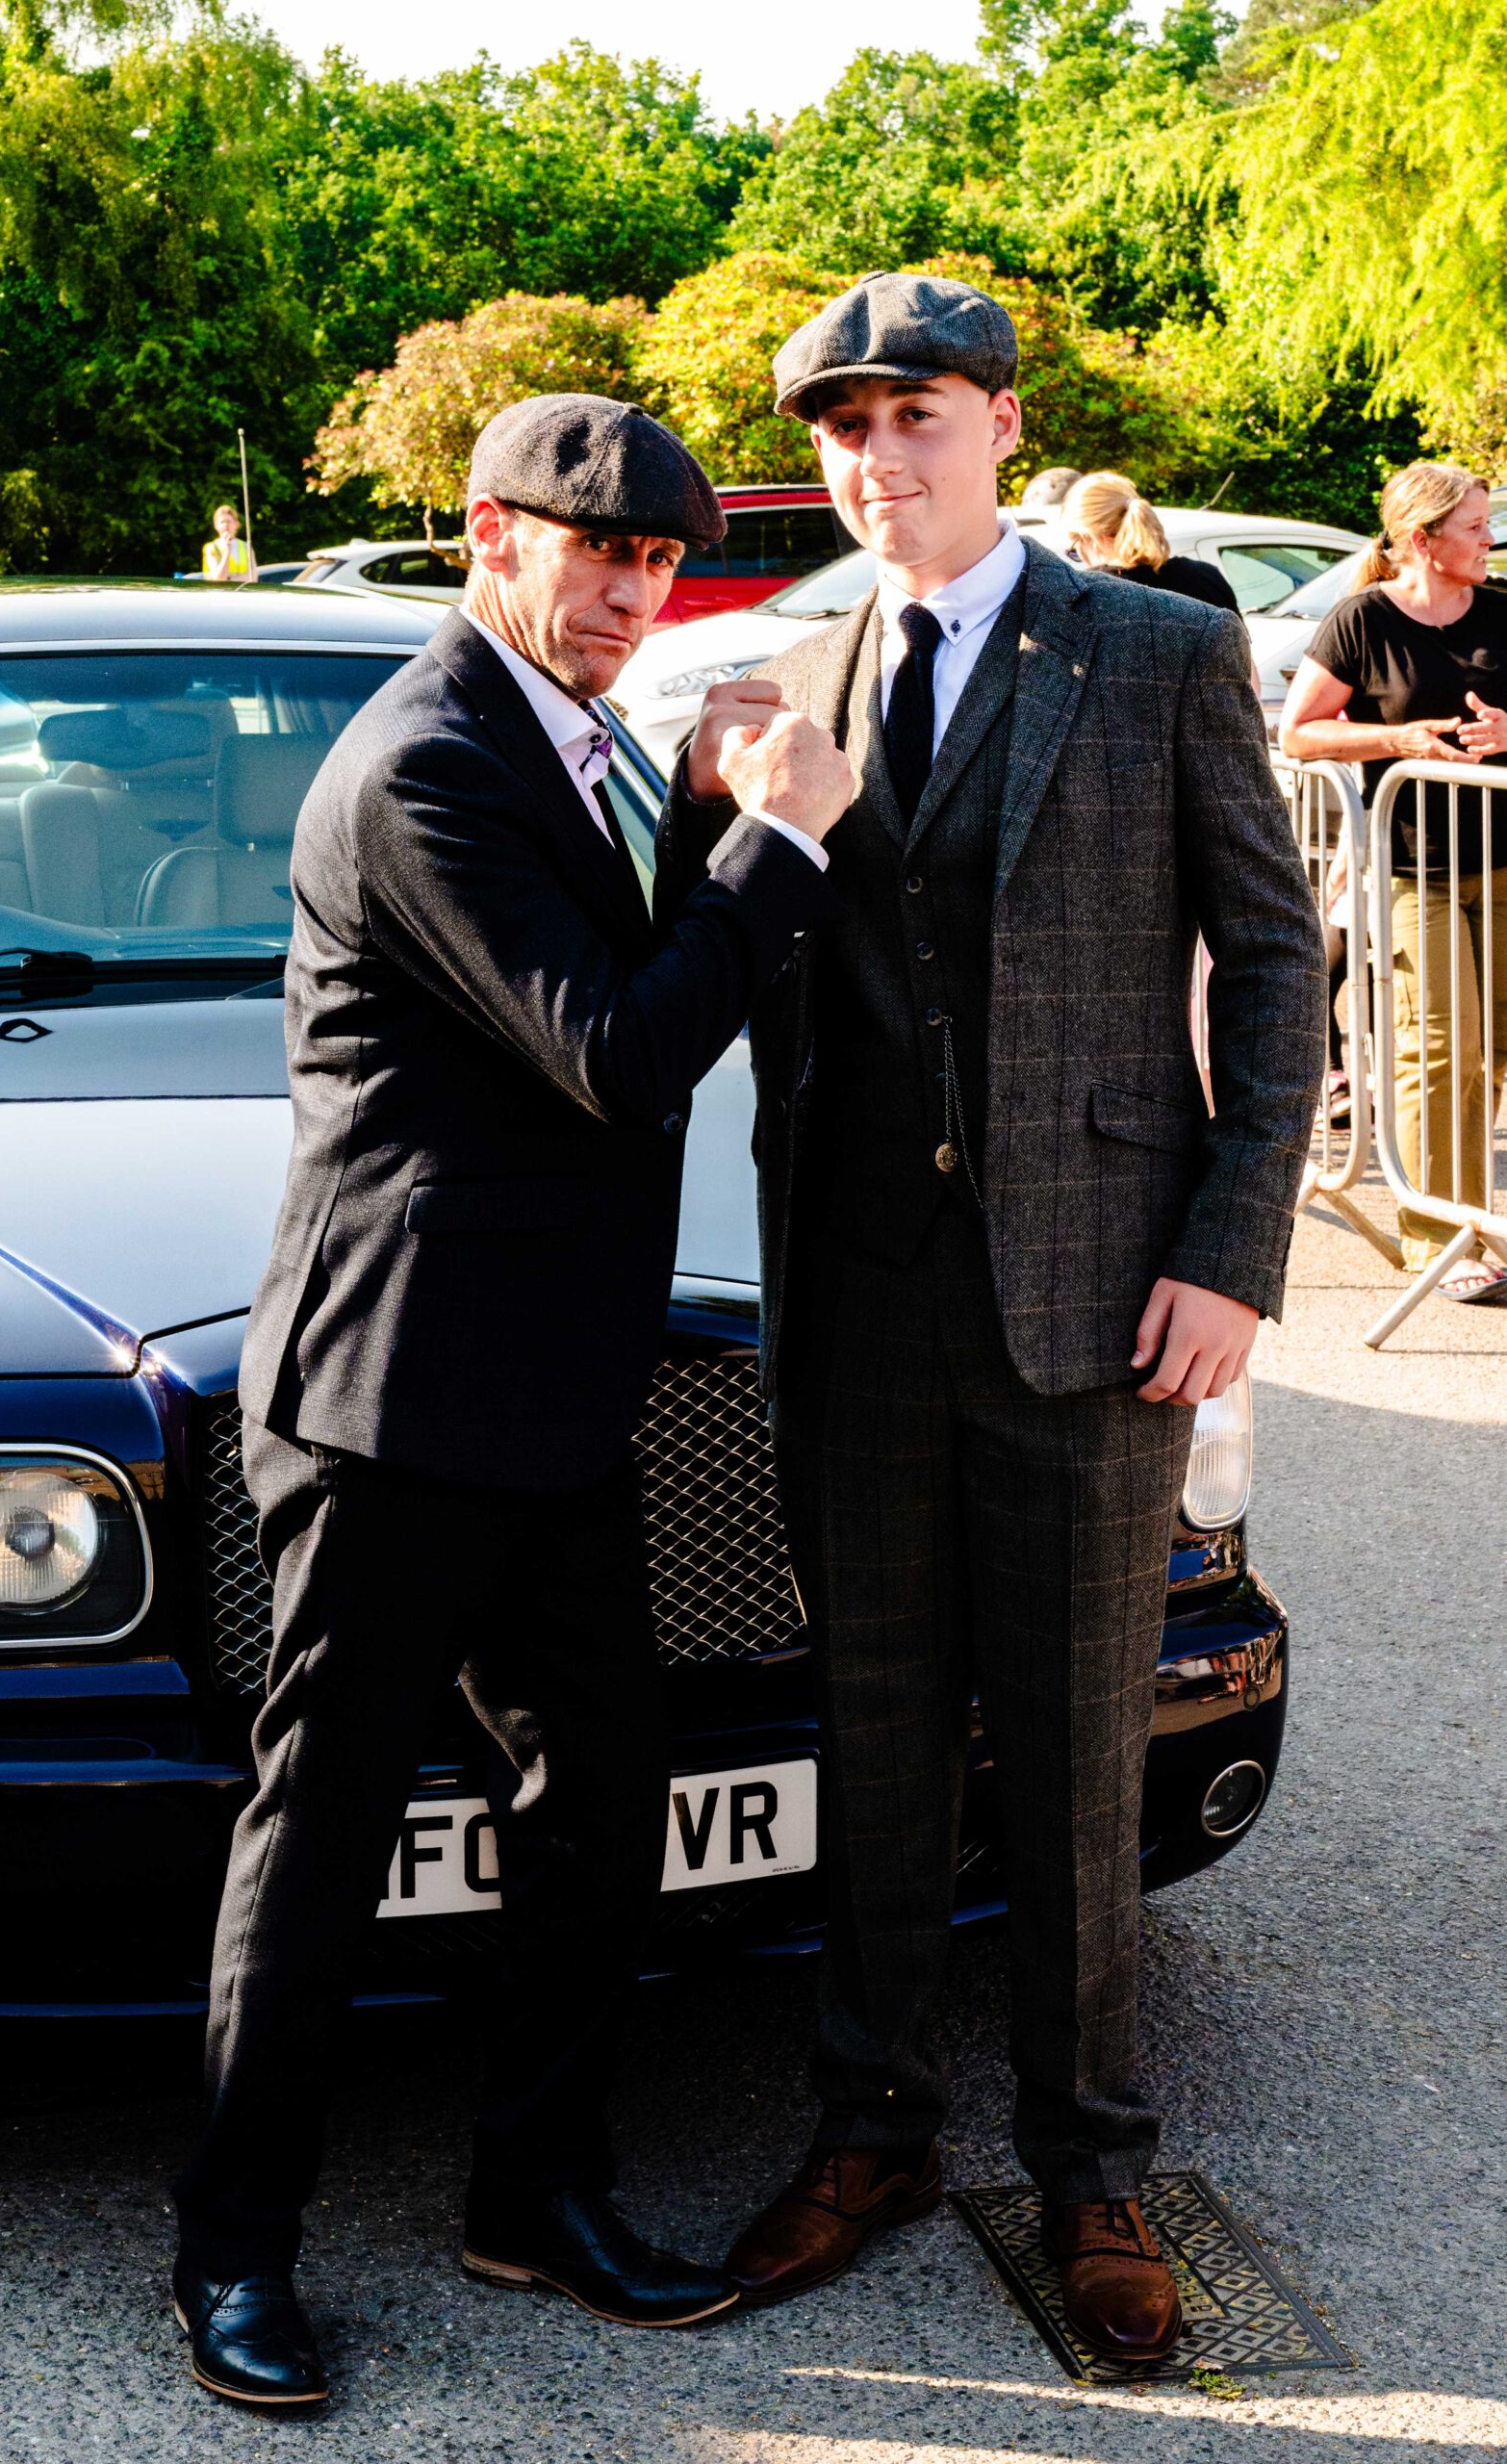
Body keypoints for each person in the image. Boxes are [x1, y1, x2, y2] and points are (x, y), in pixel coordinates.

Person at [656, 270, 1323, 2364]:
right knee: (868, 1739)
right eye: (843, 428)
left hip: (1095, 1301)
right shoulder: (788, 673)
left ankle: (1089, 2164)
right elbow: (708, 965)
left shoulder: (1152, 648)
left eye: (914, 416)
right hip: (855, 1304)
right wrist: (708, 804)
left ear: (1002, 427)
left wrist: (1229, 1249)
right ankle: (867, 2130)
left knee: (1069, 1756)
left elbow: (1272, 957)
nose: (878, 459)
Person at [170, 394, 849, 2409]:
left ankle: (531, 2190)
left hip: (556, 1388)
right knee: (321, 1835)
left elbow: (623, 954)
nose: (631, 591)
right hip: (392, 1396)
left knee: (602, 1794)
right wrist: (784, 841)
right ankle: (231, 2250)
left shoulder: (578, 736)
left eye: (657, 558)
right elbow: (616, 1050)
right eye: (595, 550)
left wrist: (706, 817)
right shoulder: (424, 763)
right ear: (488, 534)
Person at [1282, 461, 1507, 1301]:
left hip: (1503, 861)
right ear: (1422, 539)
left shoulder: (1501, 610)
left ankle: (1471, 1218)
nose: (1489, 539)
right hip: (1417, 869)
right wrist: (1398, 740)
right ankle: (1439, 1242)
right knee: (1439, 1049)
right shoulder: (1362, 620)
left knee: (1491, 1050)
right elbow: (1299, 734)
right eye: (1475, 527)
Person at [1063, 470, 1240, 612]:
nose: (1081, 557)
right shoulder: (1205, 578)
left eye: (1074, 548)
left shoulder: (1081, 601)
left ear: (1089, 537)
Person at [202, 504, 252, 583]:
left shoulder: (246, 546)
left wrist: (229, 580)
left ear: (236, 524)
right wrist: (227, 550)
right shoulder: (211, 548)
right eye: (222, 522)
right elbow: (219, 579)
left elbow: (253, 577)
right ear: (216, 526)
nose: (225, 525)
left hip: (242, 590)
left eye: (229, 521)